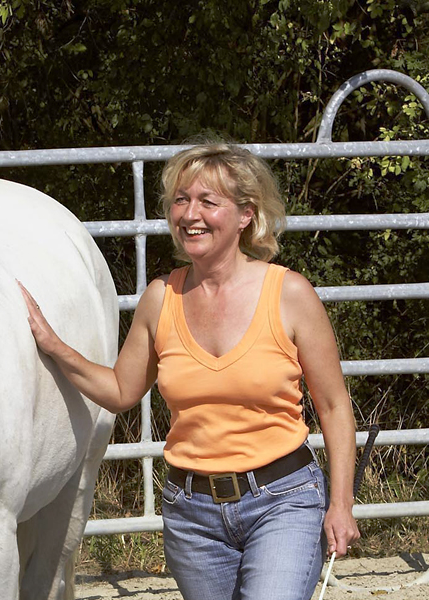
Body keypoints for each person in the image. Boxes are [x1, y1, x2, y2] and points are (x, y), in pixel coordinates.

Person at [18, 142, 360, 600]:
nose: (189, 213)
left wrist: (341, 504)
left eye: (207, 201)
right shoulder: (161, 298)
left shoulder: (290, 293)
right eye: (181, 200)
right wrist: (54, 345)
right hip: (190, 511)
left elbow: (335, 406)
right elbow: (121, 390)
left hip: (284, 501)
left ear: (245, 215)